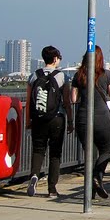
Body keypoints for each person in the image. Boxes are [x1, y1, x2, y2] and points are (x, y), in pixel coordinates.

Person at [71, 45, 110, 199]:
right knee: (105, 151)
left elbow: (73, 99)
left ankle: (90, 191)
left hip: (83, 117)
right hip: (102, 117)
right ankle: (98, 177)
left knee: (89, 153)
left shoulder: (79, 75)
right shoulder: (106, 75)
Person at [26, 45, 73, 198]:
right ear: (54, 59)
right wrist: (71, 120)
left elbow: (28, 101)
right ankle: (52, 189)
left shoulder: (34, 75)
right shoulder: (62, 77)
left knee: (38, 149)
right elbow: (66, 101)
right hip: (56, 118)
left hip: (38, 118)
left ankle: (34, 175)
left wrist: (28, 120)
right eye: (59, 58)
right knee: (55, 153)